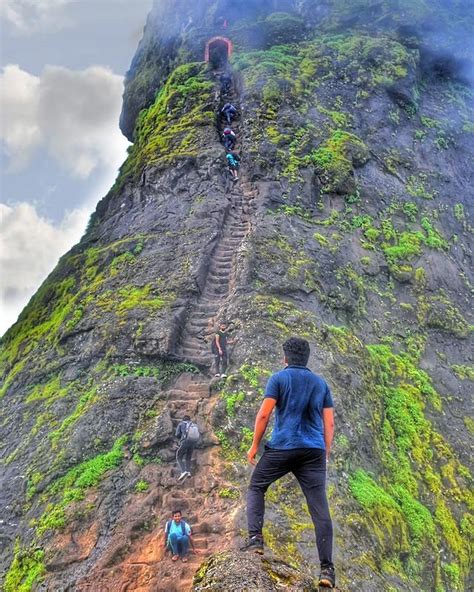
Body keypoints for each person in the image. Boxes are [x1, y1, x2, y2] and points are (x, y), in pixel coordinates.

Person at [240, 337, 336, 589]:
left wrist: (254, 446)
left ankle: (255, 540)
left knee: (257, 486)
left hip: (283, 446)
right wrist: (324, 451)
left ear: (285, 358)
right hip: (313, 450)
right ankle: (327, 570)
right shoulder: (320, 383)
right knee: (319, 510)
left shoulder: (279, 379)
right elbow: (330, 423)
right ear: (307, 358)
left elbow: (264, 414)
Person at [175, 415, 200, 481]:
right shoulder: (194, 425)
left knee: (178, 456)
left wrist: (181, 438)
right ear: (189, 419)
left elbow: (177, 434)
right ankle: (188, 472)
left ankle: (183, 471)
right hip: (193, 442)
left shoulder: (181, 424)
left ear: (183, 420)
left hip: (185, 441)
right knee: (188, 457)